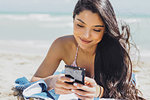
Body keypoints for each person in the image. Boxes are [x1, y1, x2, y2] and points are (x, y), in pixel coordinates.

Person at [31, 0, 144, 99]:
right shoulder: (62, 45)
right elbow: (33, 81)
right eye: (80, 25)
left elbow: (125, 92)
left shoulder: (116, 50)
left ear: (105, 29)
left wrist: (98, 92)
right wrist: (52, 82)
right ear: (73, 18)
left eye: (96, 30)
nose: (86, 36)